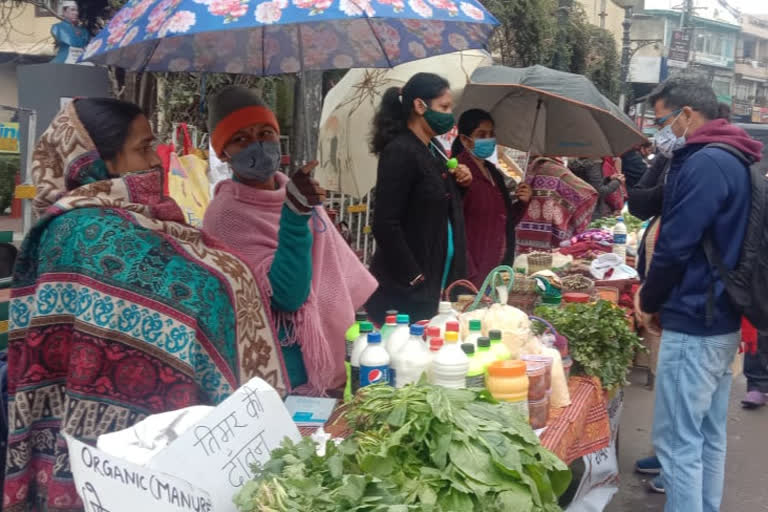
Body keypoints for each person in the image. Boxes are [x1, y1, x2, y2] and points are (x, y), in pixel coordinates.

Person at [4, 98, 295, 510]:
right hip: (118, 433)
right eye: (143, 148)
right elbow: (189, 291)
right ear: (97, 162)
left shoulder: (141, 217)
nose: (155, 161)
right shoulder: (80, 230)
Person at [635, 76, 764, 512]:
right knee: (707, 436)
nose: (660, 130)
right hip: (720, 316)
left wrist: (648, 300)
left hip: (696, 317)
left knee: (678, 443)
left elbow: (676, 244)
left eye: (662, 120)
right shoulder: (737, 156)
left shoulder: (706, 162)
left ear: (687, 114)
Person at [202, 86, 376, 395]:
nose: (257, 144)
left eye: (265, 132)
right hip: (288, 370)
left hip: (337, 349)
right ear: (222, 153)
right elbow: (288, 296)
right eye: (241, 139)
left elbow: (336, 271)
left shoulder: (295, 193)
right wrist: (294, 217)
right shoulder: (225, 216)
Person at [365, 72, 472, 324]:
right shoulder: (400, 150)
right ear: (419, 106)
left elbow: (435, 204)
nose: (449, 115)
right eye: (443, 107)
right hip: (406, 291)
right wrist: (413, 275)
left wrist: (461, 184)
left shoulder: (433, 150)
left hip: (435, 280)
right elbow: (385, 223)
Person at [451, 109, 531, 287]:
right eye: (481, 135)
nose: (488, 139)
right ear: (465, 139)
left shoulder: (493, 173)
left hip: (496, 268)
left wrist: (522, 203)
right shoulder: (459, 173)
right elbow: (454, 225)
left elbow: (504, 220)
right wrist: (468, 269)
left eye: (491, 134)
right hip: (470, 273)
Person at [514, 156, 597, 254]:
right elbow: (589, 194)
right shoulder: (556, 169)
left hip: (526, 231)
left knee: (526, 262)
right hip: (549, 232)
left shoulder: (532, 169)